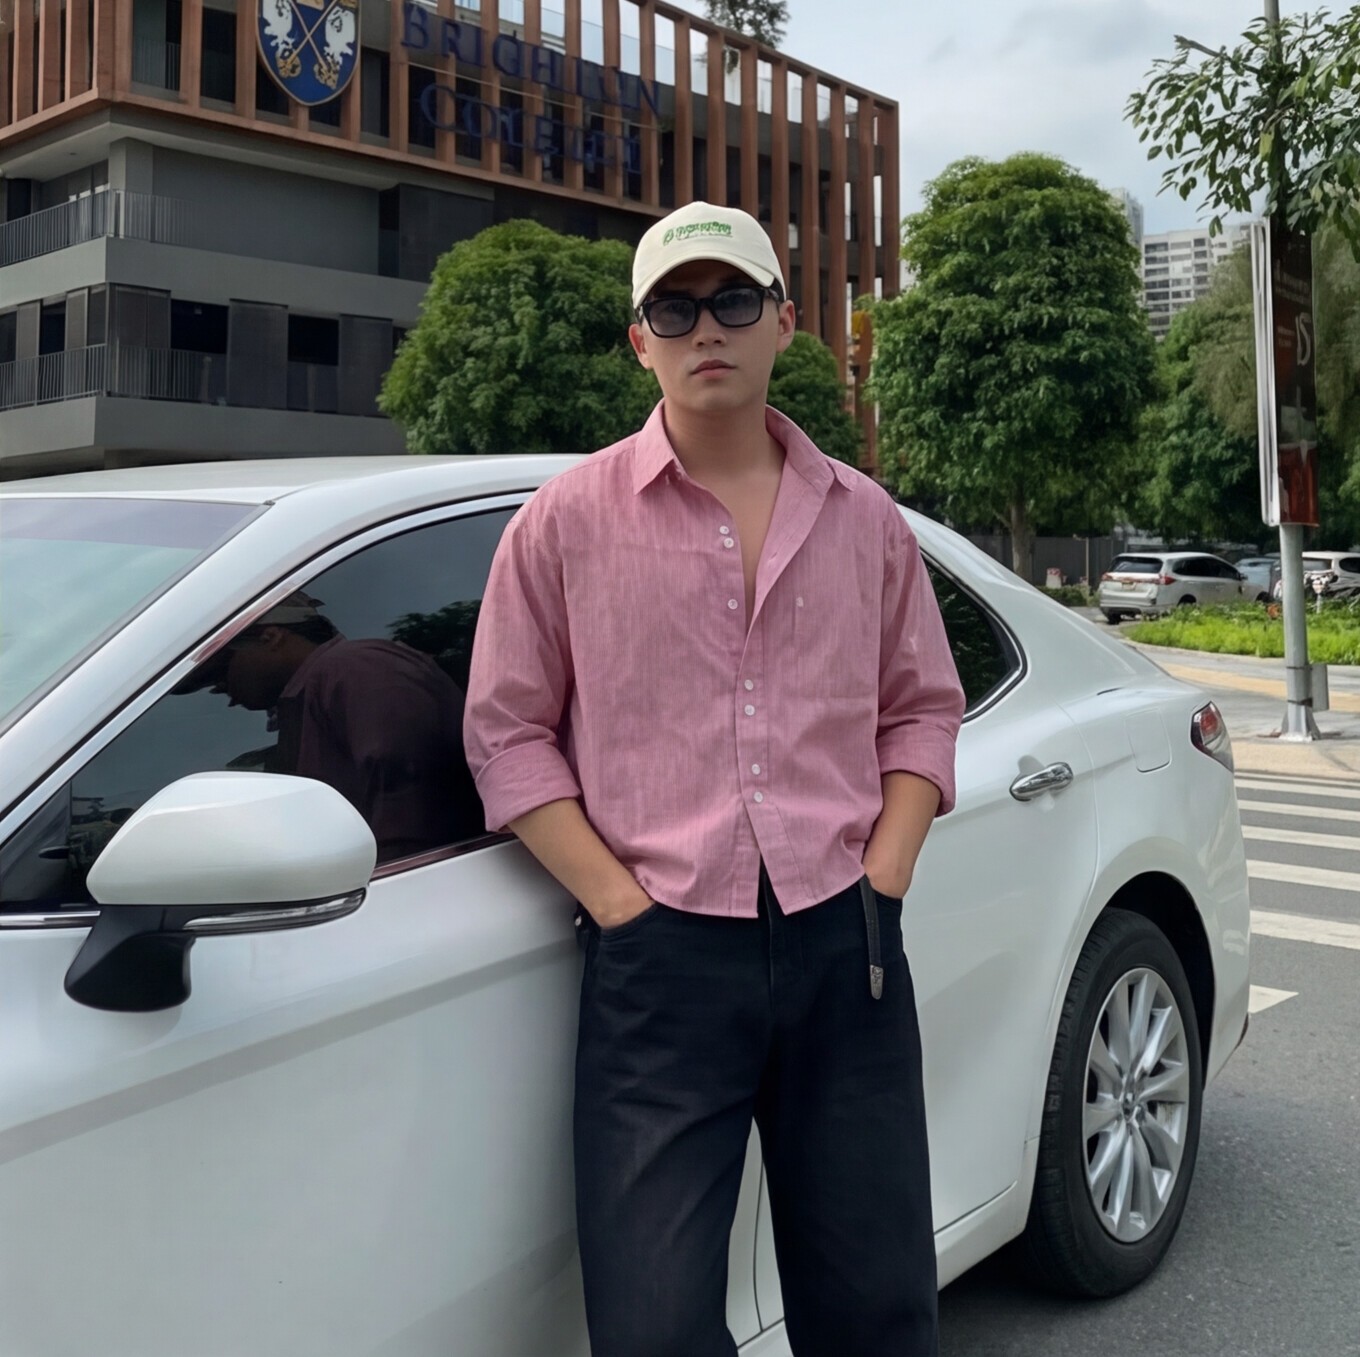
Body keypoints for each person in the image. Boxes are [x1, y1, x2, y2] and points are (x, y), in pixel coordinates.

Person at [463, 201, 965, 1356]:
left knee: (877, 1307)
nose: (706, 330)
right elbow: (505, 733)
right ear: (638, 339)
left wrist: (883, 879)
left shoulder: (865, 520)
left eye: (733, 300)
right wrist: (617, 904)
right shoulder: (563, 524)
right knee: (652, 1324)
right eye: (675, 308)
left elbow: (921, 708)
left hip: (845, 939)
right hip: (660, 952)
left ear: (785, 322)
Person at [178, 593, 481, 861]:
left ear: (270, 637)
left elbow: (409, 808)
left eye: (220, 672)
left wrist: (386, 882)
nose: (223, 692)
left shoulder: (356, 669)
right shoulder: (315, 694)